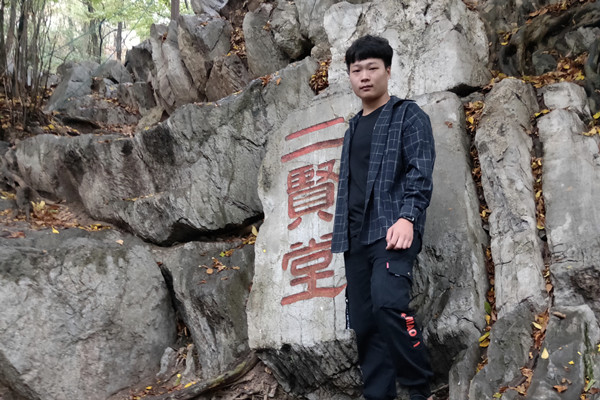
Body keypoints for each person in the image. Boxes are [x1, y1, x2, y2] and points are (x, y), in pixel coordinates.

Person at [331, 35, 436, 400]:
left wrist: (408, 217)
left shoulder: (408, 115)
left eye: (372, 68)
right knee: (364, 322)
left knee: (389, 305)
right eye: (356, 70)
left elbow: (420, 171)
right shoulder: (352, 128)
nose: (364, 76)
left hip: (392, 229)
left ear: (388, 71)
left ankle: (419, 388)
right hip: (355, 237)